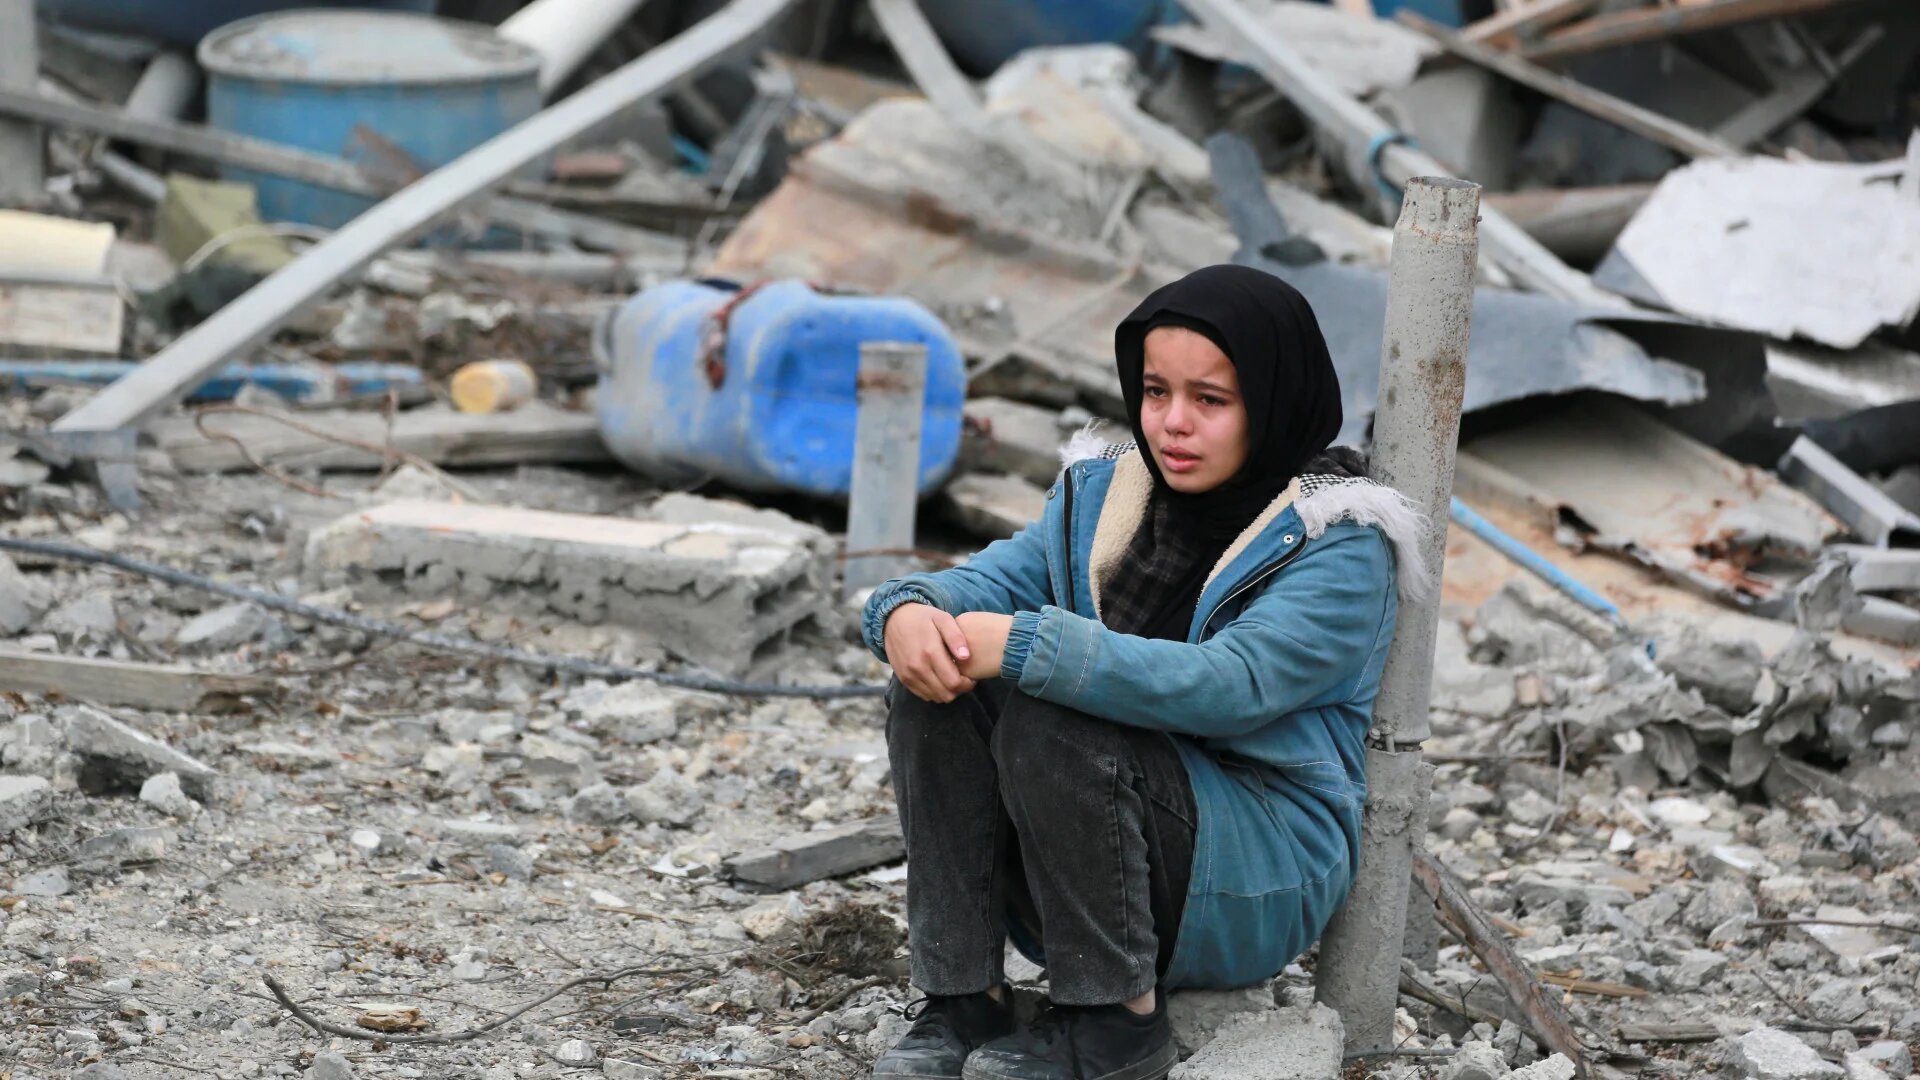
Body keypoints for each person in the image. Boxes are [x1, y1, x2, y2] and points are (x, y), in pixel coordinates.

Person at [860, 264, 1427, 1080]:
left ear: (1272, 402)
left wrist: (1029, 646)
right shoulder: (1110, 496)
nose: (1172, 423)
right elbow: (986, 582)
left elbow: (1233, 684)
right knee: (938, 688)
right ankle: (963, 999)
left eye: (1211, 400)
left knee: (1056, 710)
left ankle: (1115, 1025)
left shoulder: (1334, 539)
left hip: (1252, 869)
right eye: (1156, 392)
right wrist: (907, 611)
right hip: (1088, 844)